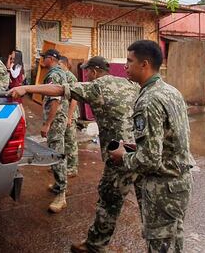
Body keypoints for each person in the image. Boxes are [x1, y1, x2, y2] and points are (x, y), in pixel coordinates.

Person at [8, 55, 140, 253]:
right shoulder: (128, 84)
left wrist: (26, 88)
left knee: (108, 200)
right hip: (139, 150)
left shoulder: (97, 86)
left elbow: (59, 90)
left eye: (88, 72)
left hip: (119, 154)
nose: (87, 75)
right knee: (145, 200)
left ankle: (95, 246)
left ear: (94, 72)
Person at [109, 40, 195, 253]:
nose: (125, 66)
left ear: (144, 64)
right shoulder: (170, 91)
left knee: (160, 246)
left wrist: (122, 156)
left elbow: (150, 160)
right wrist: (134, 147)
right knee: (173, 241)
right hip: (180, 184)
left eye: (129, 61)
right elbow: (169, 139)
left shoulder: (148, 100)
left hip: (163, 189)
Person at [38, 48, 71, 213]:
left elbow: (55, 100)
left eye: (43, 57)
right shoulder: (61, 72)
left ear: (51, 58)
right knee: (58, 151)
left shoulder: (53, 74)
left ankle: (62, 194)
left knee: (57, 154)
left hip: (56, 120)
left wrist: (47, 123)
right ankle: (59, 185)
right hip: (60, 119)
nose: (42, 60)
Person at [59, 55, 80, 177]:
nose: (58, 67)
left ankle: (72, 168)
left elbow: (75, 99)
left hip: (70, 114)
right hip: (63, 114)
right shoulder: (61, 76)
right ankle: (62, 165)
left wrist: (69, 116)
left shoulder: (71, 77)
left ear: (65, 65)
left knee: (71, 142)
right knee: (64, 142)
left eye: (60, 65)